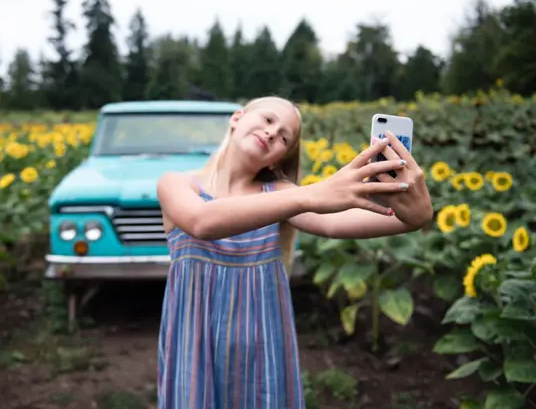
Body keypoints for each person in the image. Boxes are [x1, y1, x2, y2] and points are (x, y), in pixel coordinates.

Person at [155, 96, 433, 408]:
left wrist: (414, 217)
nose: (273, 132)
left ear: (276, 160)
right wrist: (313, 194)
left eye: (284, 137)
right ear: (237, 118)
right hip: (194, 350)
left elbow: (340, 224)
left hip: (260, 358)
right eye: (268, 120)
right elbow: (201, 221)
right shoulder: (176, 184)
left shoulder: (283, 196)